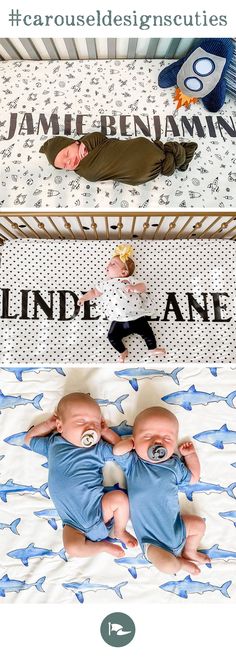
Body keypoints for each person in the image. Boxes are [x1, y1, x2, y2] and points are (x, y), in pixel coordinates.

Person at [25, 392, 137, 558]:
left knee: (119, 499)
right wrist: (48, 424)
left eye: (95, 423)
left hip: (99, 511)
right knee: (72, 548)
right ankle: (103, 548)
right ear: (60, 426)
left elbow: (119, 450)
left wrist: (106, 432)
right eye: (81, 421)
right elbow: (29, 439)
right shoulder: (54, 445)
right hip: (72, 523)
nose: (91, 428)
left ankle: (119, 531)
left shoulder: (97, 449)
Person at [113, 406, 211, 574]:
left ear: (174, 443)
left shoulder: (174, 465)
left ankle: (189, 551)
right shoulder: (134, 463)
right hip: (152, 542)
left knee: (199, 525)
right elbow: (117, 452)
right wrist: (129, 444)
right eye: (148, 436)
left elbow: (193, 478)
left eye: (167, 437)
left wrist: (190, 455)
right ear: (135, 441)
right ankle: (180, 563)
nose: (158, 442)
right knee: (168, 566)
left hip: (178, 528)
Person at [78, 244, 166, 362]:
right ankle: (122, 351)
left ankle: (152, 348)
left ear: (124, 272)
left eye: (113, 264)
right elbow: (94, 292)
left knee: (148, 333)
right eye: (109, 263)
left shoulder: (130, 280)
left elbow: (143, 287)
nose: (108, 265)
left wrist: (134, 288)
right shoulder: (105, 284)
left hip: (137, 316)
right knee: (112, 337)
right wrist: (84, 298)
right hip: (118, 320)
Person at [39, 131, 198, 185]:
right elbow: (94, 172)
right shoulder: (84, 170)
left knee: (143, 151)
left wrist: (85, 145)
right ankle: (173, 157)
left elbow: (102, 139)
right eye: (65, 166)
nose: (69, 162)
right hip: (138, 173)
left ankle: (173, 155)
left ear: (74, 142)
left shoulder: (91, 140)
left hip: (139, 148)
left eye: (67, 154)